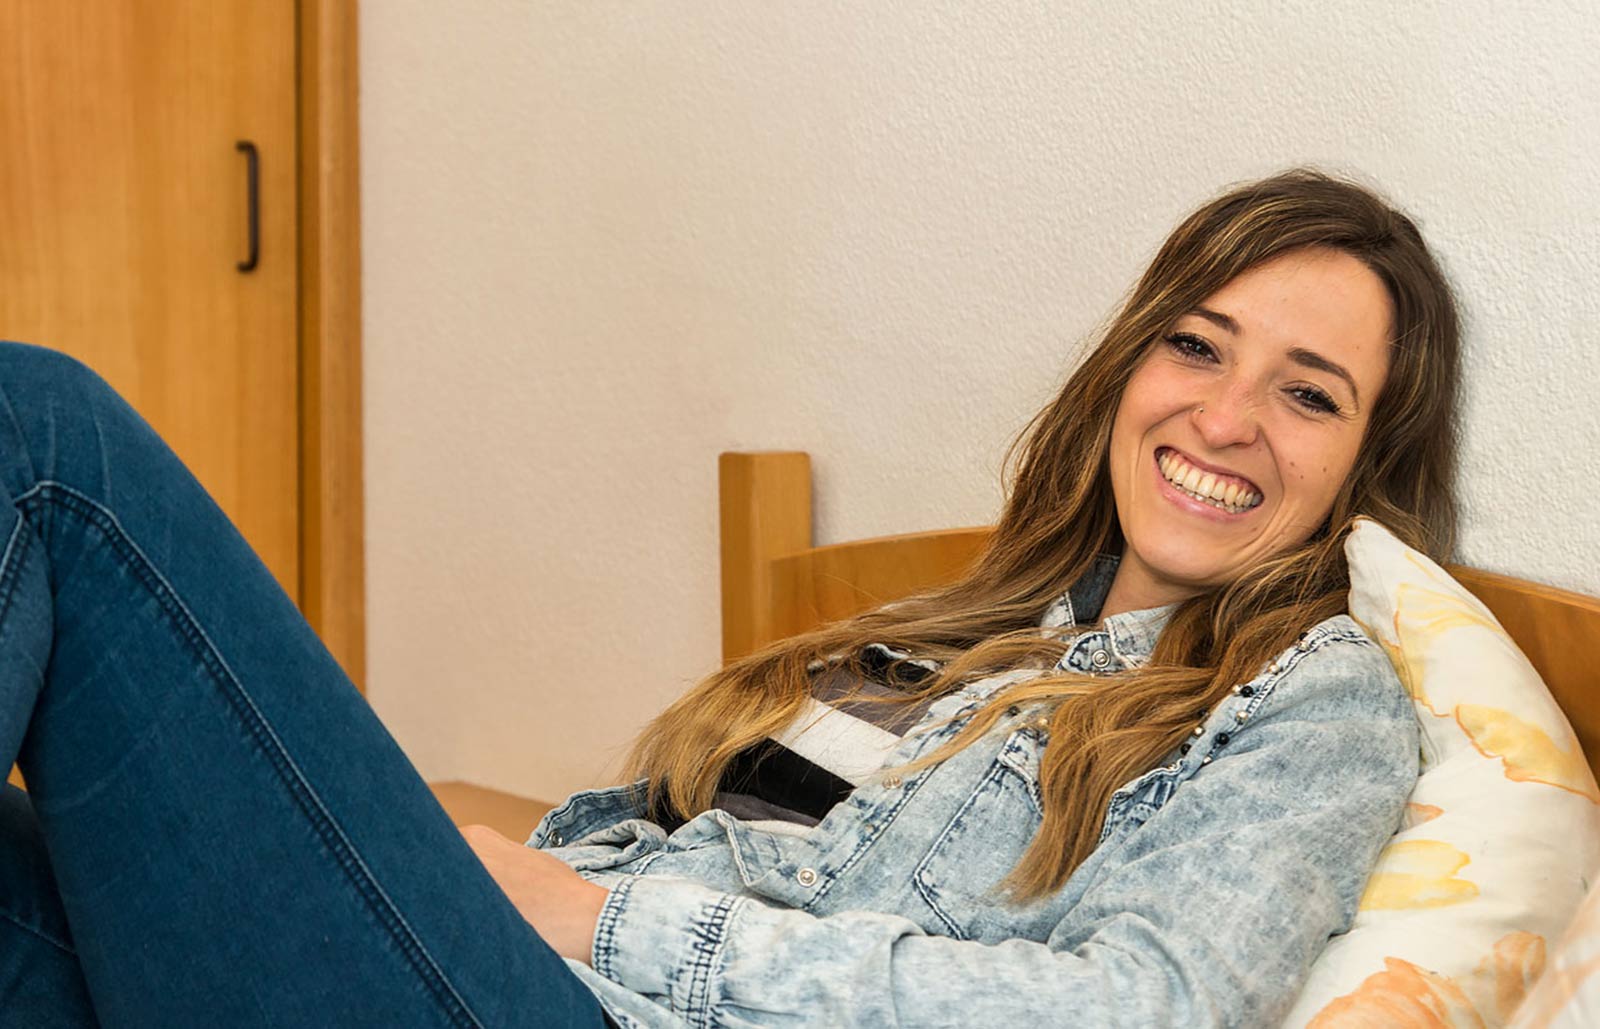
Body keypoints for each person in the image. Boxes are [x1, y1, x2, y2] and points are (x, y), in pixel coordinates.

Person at [0, 167, 1458, 1028]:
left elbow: (1129, 1012)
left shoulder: (1317, 698)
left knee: (45, 449)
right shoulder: (936, 642)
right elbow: (682, 844)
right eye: (1199, 348)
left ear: (1364, 470)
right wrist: (469, 859)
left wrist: (587, 917)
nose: (1226, 415)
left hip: (581, 997)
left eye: (1308, 393)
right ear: (1131, 369)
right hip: (523, 956)